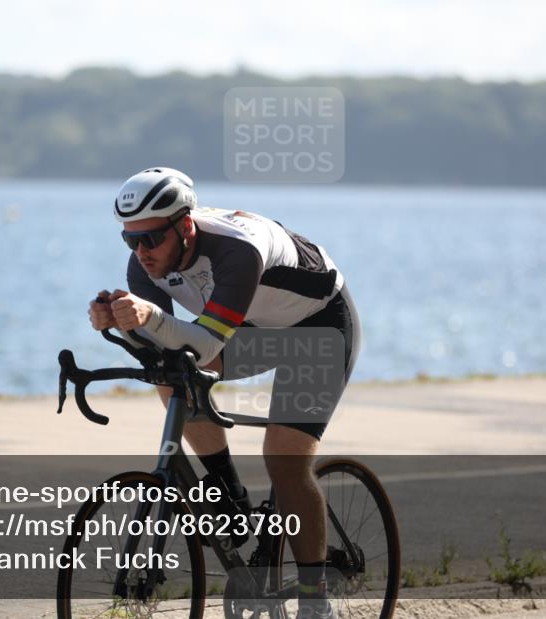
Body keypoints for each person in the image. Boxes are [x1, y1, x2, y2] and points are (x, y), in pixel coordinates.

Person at [89, 167, 361, 619]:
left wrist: (149, 319)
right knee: (168, 369)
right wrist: (116, 323)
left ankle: (316, 600)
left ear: (185, 226)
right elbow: (162, 344)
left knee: (284, 460)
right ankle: (227, 490)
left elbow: (209, 343)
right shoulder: (146, 261)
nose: (141, 253)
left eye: (151, 239)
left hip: (320, 328)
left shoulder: (238, 250)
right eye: (130, 241)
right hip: (253, 327)